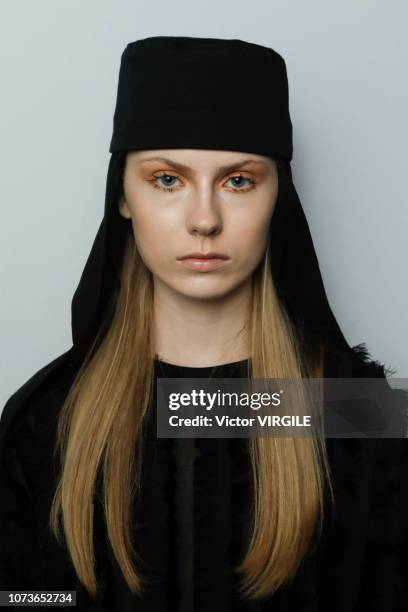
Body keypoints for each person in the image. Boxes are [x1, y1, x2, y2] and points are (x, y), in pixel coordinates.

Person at [0, 35, 407, 612]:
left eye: (238, 181)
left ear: (277, 197)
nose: (204, 220)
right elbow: (23, 598)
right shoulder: (44, 418)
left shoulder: (356, 410)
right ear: (123, 196)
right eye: (167, 180)